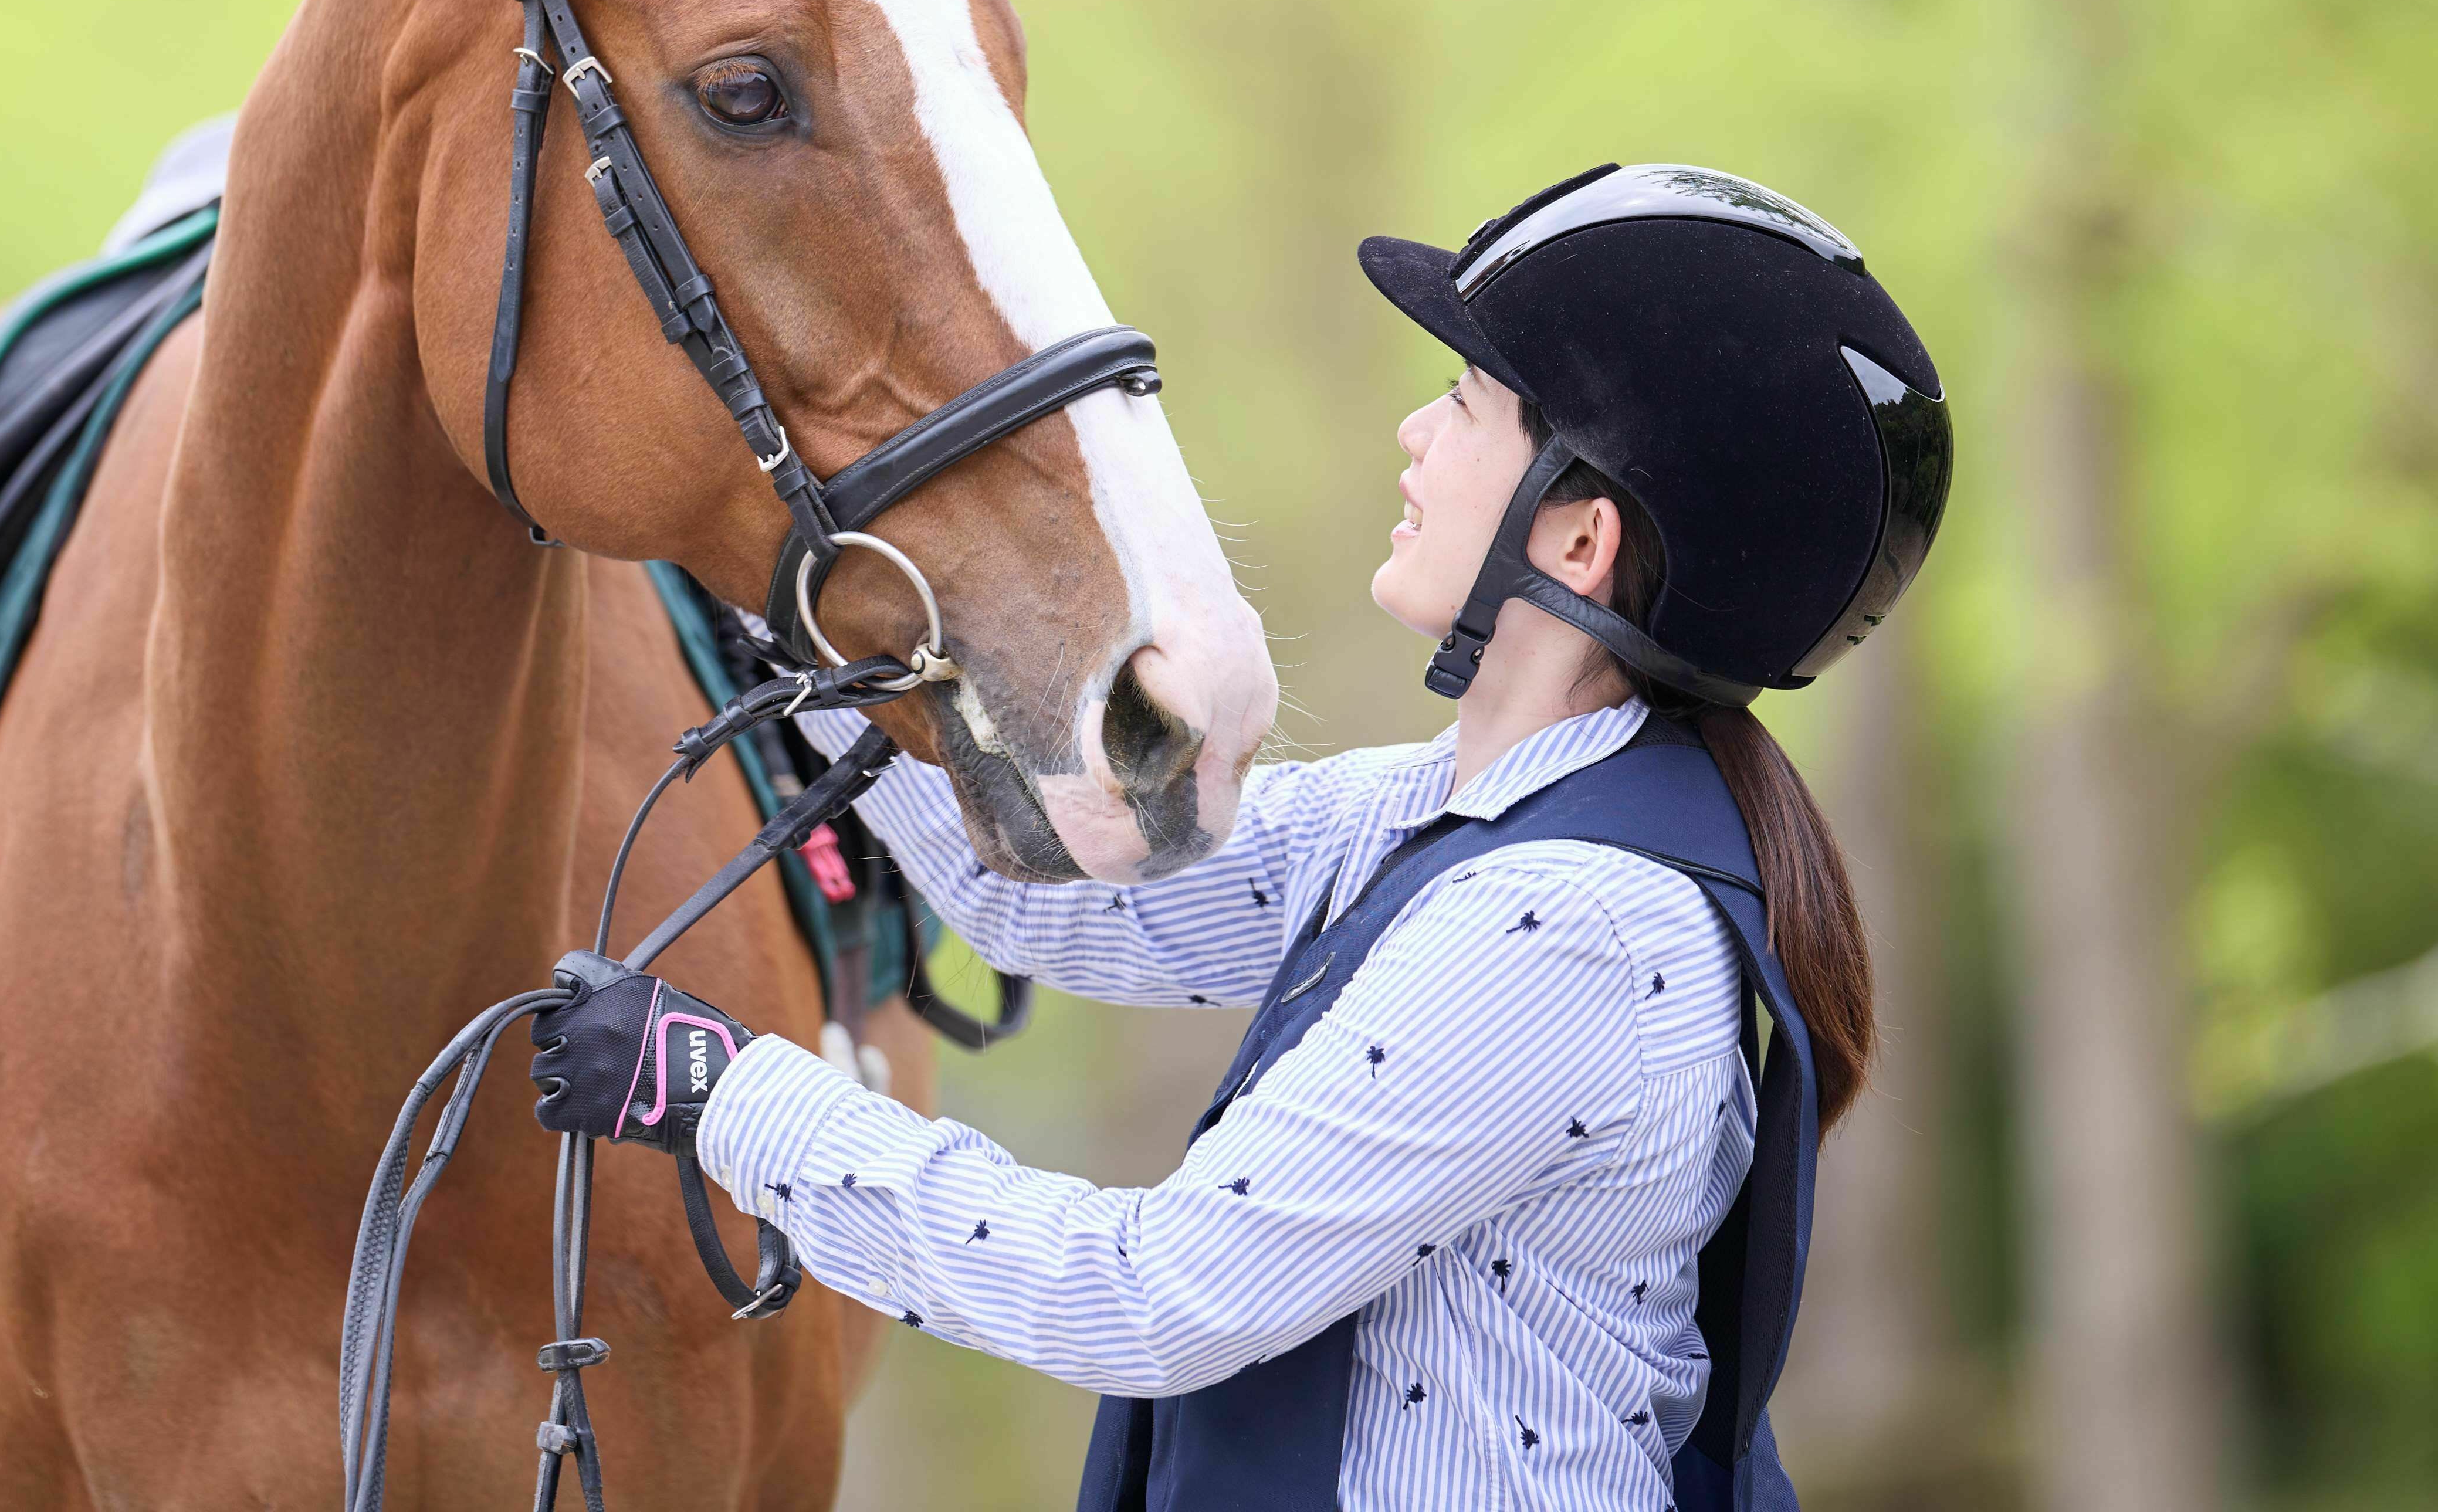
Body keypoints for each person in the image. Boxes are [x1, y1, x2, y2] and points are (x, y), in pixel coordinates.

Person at [529, 164, 1954, 1512]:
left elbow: (1151, 1294)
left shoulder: (1567, 924)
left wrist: (717, 1096)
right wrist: (777, 612)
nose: (1417, 431)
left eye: (1467, 403)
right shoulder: (1435, 815)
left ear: (1577, 543)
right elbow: (1060, 902)